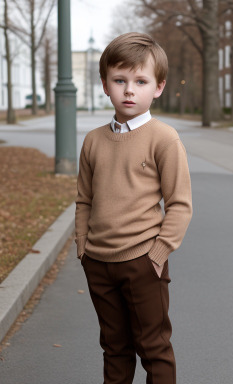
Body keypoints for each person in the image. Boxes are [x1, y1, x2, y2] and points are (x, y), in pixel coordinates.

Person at [75, 32, 192, 384]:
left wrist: (157, 253)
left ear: (157, 87)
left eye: (140, 81)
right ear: (105, 84)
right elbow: (84, 199)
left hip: (143, 262)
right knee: (114, 347)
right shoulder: (94, 140)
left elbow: (180, 204)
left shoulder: (164, 138)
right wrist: (83, 246)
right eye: (120, 80)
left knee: (153, 348)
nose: (129, 90)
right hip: (98, 263)